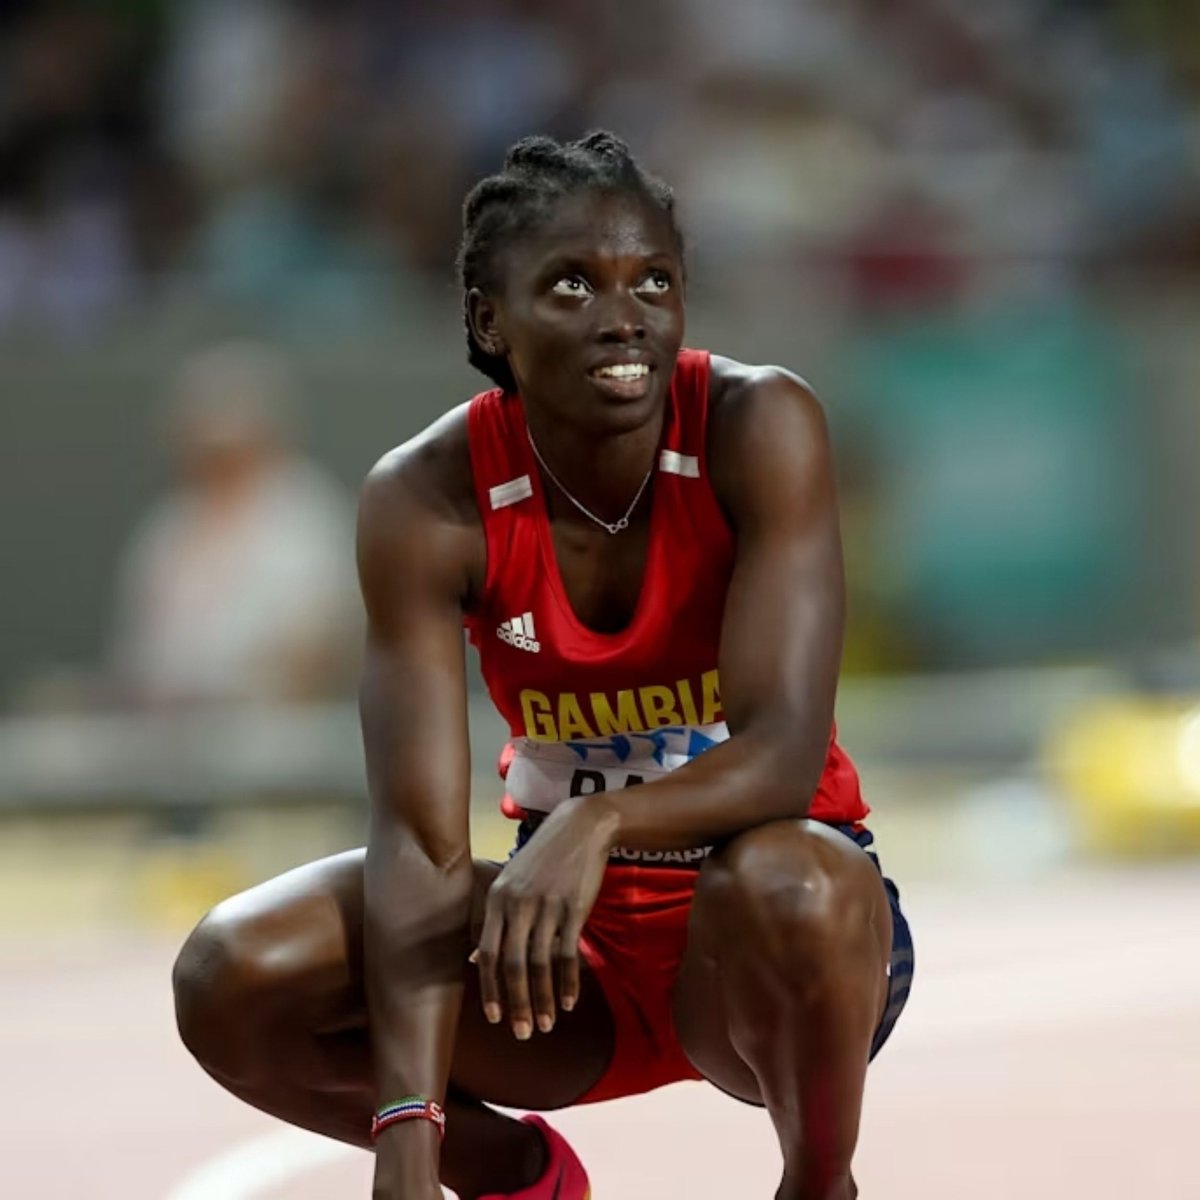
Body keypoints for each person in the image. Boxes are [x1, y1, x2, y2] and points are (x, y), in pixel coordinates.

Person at [171, 132, 914, 1200]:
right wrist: (409, 1140)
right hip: (562, 965)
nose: (624, 315)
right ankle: (515, 1175)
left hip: (774, 951)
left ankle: (819, 1182)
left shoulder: (760, 425)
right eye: (573, 284)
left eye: (653, 280)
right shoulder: (426, 499)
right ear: (489, 320)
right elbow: (419, 841)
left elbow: (785, 757)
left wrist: (595, 818)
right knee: (232, 971)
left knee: (789, 877)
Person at [109, 340, 359, 709]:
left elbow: (320, 649)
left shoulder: (308, 515)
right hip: (165, 736)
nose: (217, 464)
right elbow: (137, 655)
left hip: (277, 738)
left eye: (231, 449)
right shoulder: (166, 527)